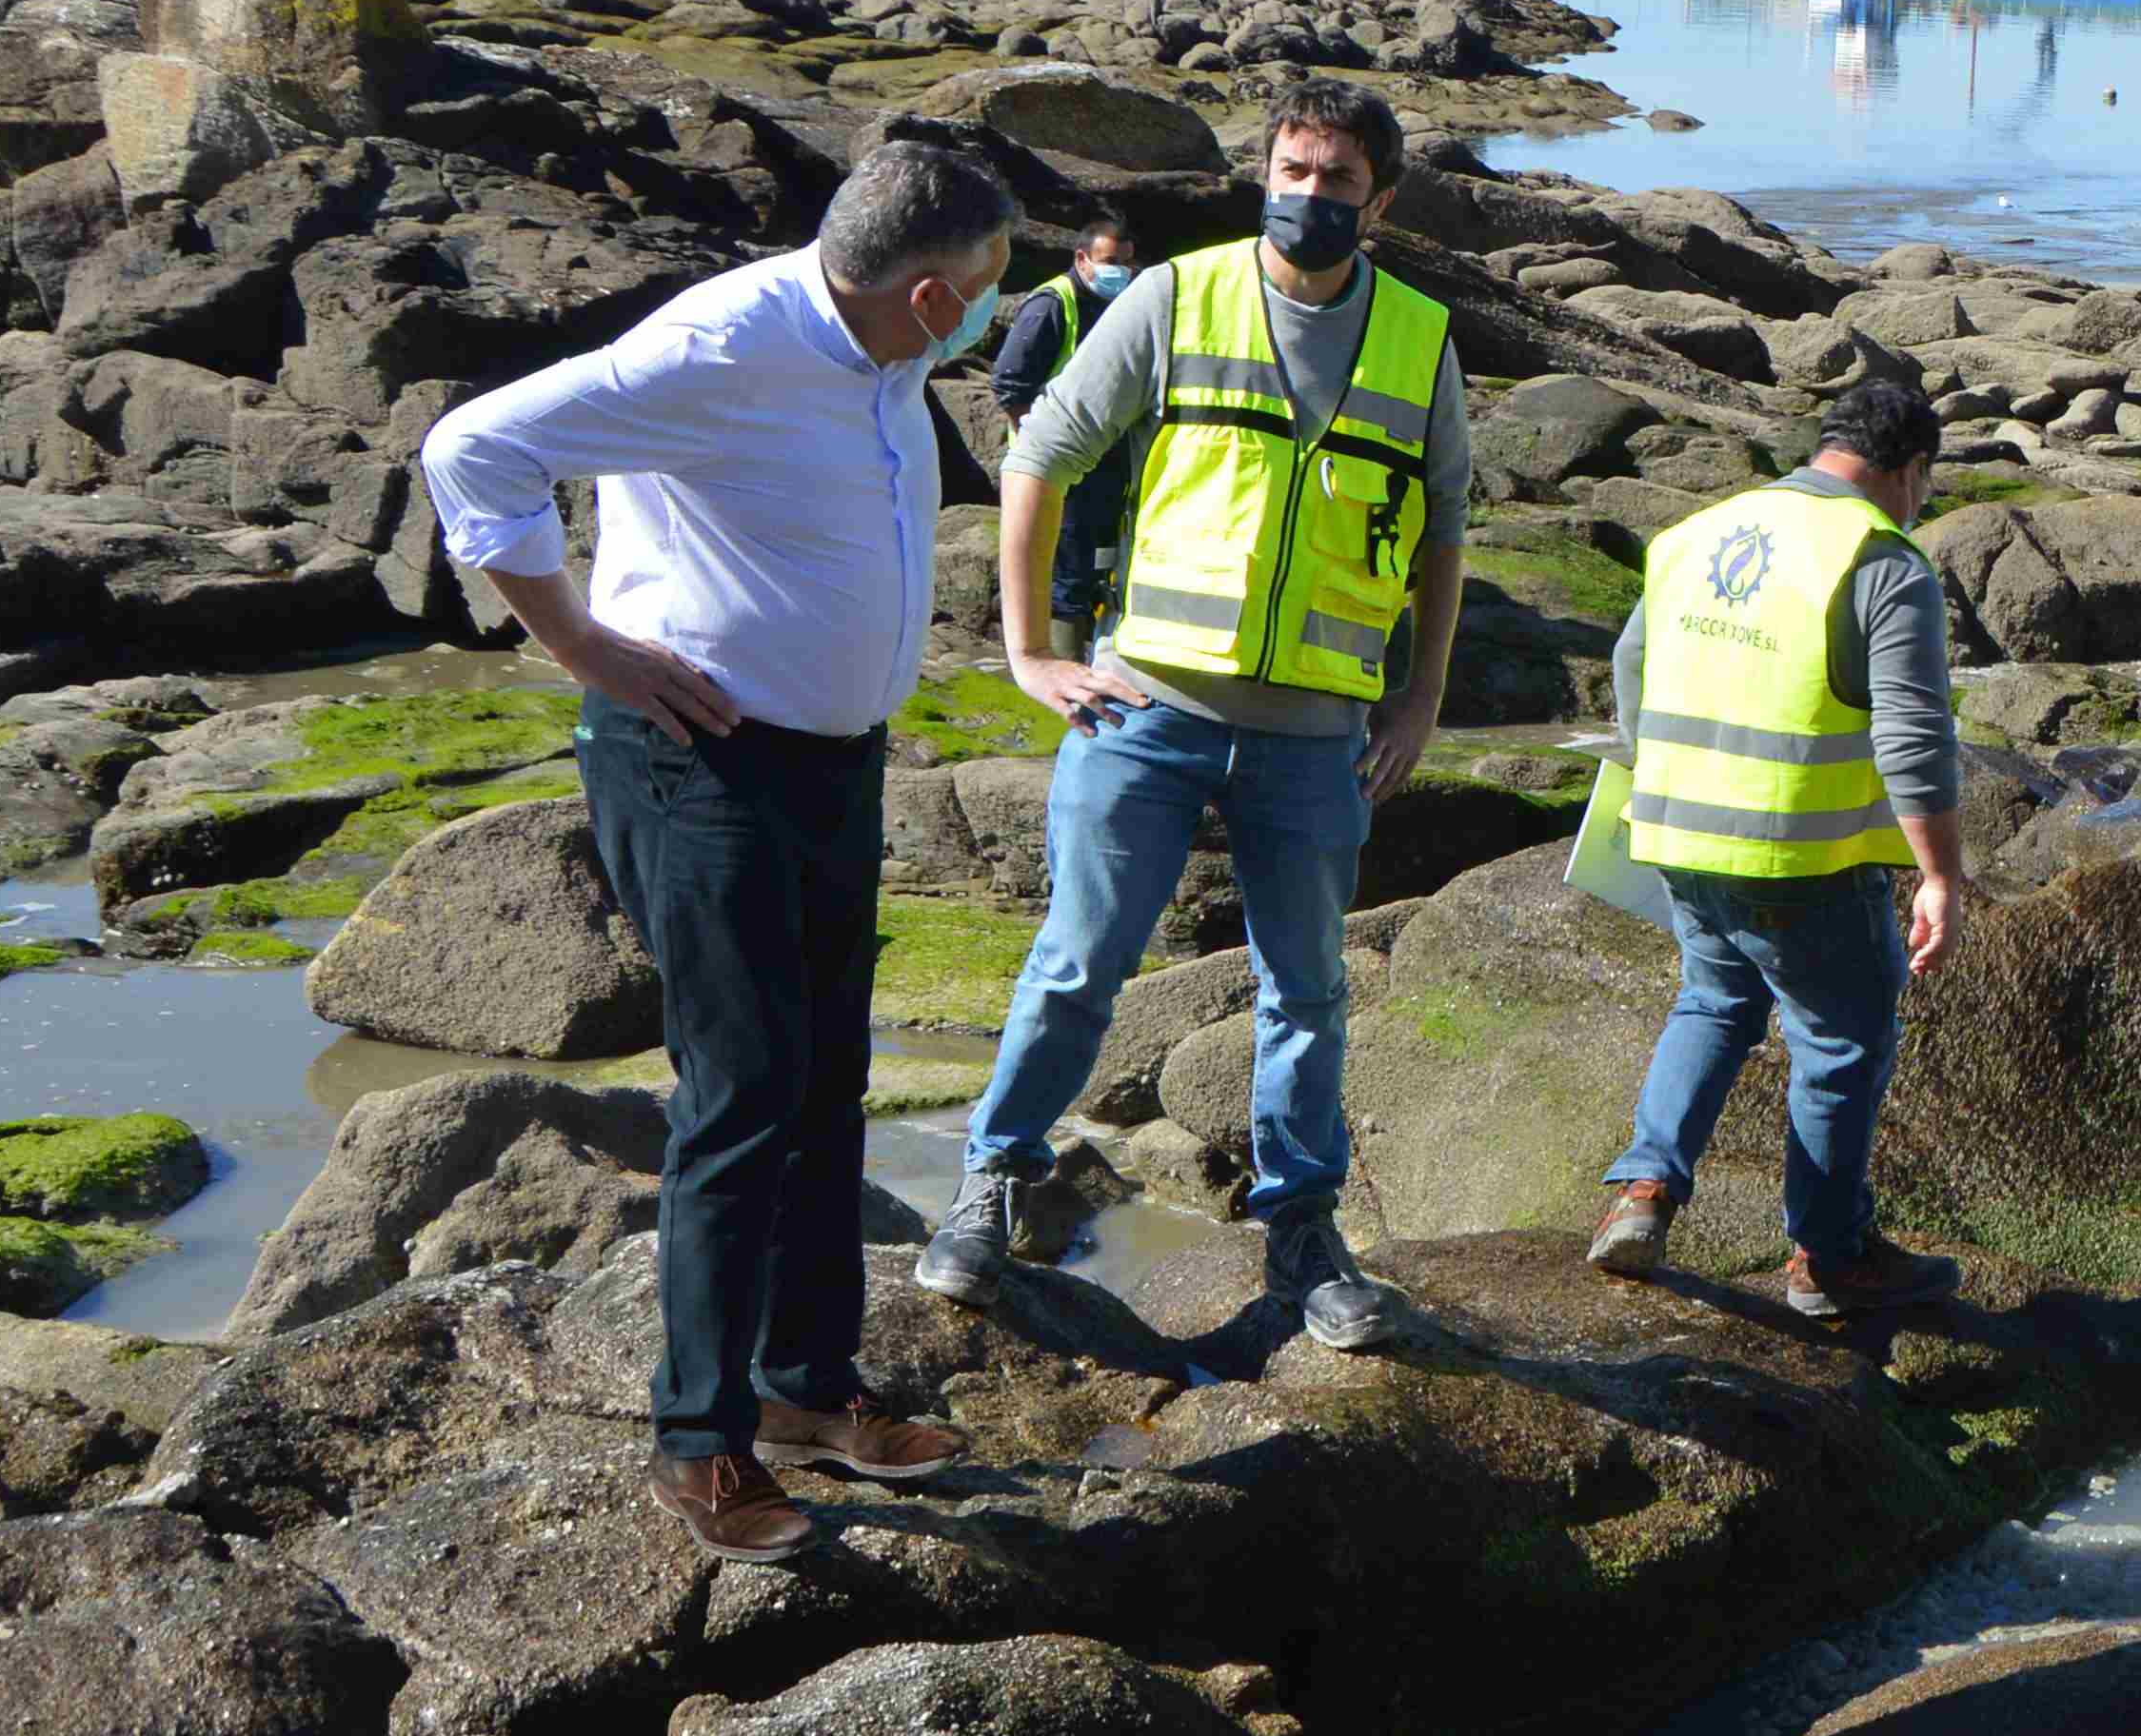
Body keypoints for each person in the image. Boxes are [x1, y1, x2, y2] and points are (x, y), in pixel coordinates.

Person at [416, 135, 1021, 1562]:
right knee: (743, 1094)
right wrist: (580, 643)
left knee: (828, 1081)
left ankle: (809, 1388)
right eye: (990, 285)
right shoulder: (721, 348)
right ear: (932, 296)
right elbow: (473, 447)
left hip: (832, 764)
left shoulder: (885, 353)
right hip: (703, 765)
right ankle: (700, 1442)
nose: (1004, 303)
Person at [917, 83, 1470, 1355]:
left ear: (1379, 202)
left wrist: (1421, 700)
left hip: (1316, 731)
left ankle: (1301, 1241)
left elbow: (1444, 527)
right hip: (1148, 707)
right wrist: (1030, 653)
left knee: (1309, 993)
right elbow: (1038, 456)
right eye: (1293, 167)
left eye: (1337, 180)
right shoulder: (1179, 297)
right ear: (1261, 170)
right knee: (1078, 964)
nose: (1310, 195)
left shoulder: (1418, 336)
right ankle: (991, 1187)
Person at [1589, 371, 1972, 1324]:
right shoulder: (1879, 560)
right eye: (1924, 484)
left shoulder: (1694, 535)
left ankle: (1644, 1192)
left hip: (1677, 827)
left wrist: (1658, 769)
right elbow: (1912, 733)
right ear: (1908, 468)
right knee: (1840, 1045)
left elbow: (1629, 665)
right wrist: (1939, 873)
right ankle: (1827, 1259)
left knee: (1713, 1001)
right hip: (1805, 851)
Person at [987, 214, 1145, 661]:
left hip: (1109, 465)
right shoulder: (1054, 304)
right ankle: (1059, 663)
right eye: (1110, 261)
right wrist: (1042, 447)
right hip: (1060, 468)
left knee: (1099, 564)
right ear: (1082, 258)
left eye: (1128, 263)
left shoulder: (1122, 302)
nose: (1121, 272)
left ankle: (1094, 655)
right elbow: (1009, 384)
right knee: (1066, 571)